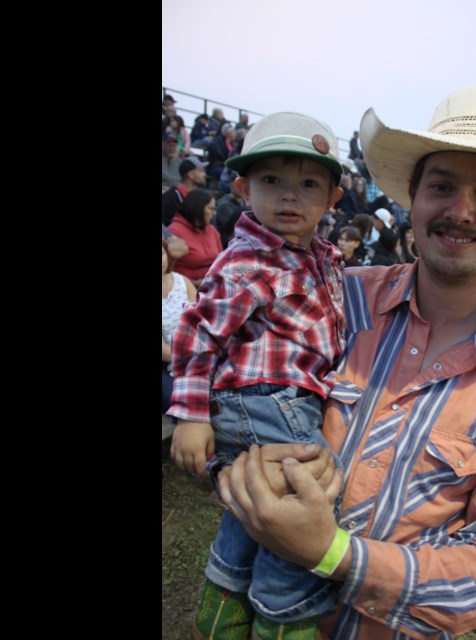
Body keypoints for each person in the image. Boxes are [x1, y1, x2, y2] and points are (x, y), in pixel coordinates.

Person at [212, 85, 476, 639]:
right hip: (252, 612)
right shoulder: (331, 301)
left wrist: (331, 552)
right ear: (411, 198)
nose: (460, 212)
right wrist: (234, 467)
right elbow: (232, 386)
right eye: (441, 186)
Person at [167, 112, 347, 640]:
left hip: (290, 398)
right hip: (264, 398)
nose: (290, 197)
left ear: (332, 199)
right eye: (272, 182)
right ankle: (286, 615)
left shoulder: (319, 256)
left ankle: (223, 610)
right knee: (308, 495)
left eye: (309, 184)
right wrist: (191, 415)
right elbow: (197, 335)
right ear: (244, 189)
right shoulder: (248, 261)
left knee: (254, 502)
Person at [162, 239, 197, 414]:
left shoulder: (182, 281)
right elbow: (164, 352)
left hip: (197, 350)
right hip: (170, 360)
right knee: (179, 401)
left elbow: (201, 319)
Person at [166, 189, 223, 287]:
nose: (214, 213)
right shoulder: (174, 231)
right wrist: (193, 284)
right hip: (187, 289)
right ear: (198, 208)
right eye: (210, 209)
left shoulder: (212, 230)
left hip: (214, 286)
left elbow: (221, 261)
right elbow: (167, 272)